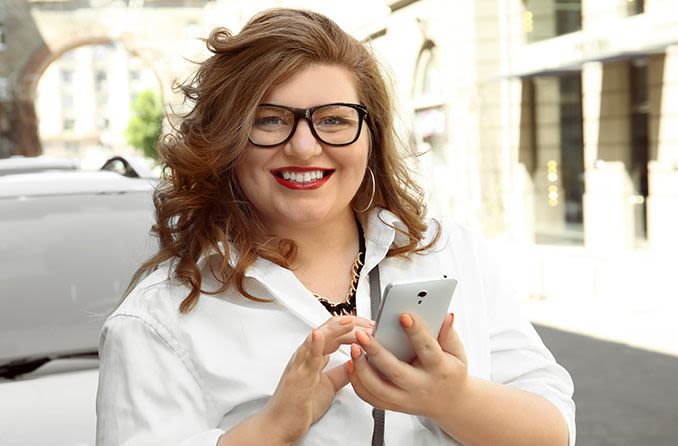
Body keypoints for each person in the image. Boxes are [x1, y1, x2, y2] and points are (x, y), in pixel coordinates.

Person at [96, 7, 575, 446]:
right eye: (268, 121)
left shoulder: (446, 251)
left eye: (333, 119)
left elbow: (553, 431)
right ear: (223, 140)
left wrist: (453, 400)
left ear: (372, 135)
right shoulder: (157, 321)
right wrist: (269, 430)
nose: (304, 148)